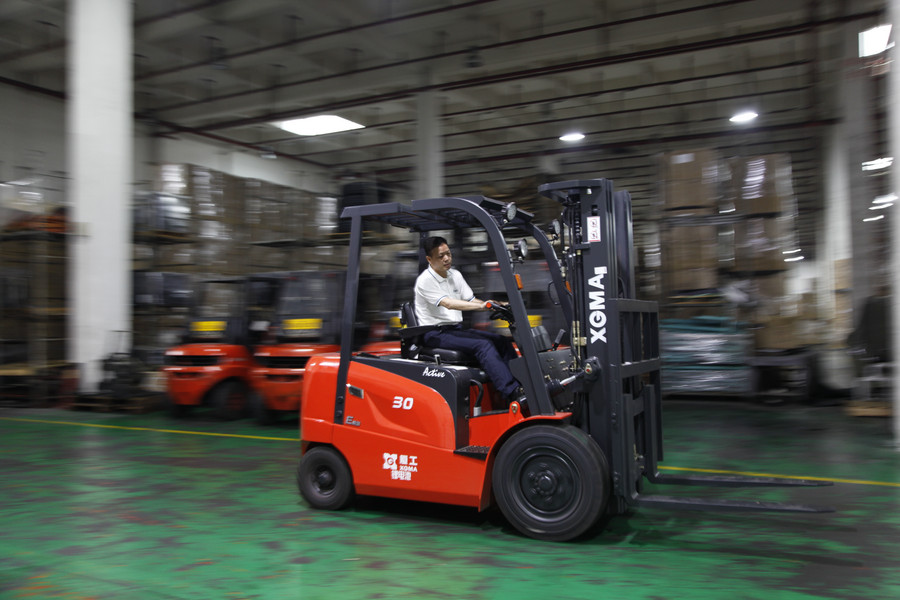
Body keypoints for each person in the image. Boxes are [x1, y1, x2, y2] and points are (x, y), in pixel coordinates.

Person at [413, 235, 526, 408]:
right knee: (483, 345)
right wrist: (483, 306)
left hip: (454, 330)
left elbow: (471, 300)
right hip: (434, 334)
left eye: (448, 254)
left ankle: (524, 384)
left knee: (501, 341)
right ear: (429, 259)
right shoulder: (425, 281)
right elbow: (449, 303)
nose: (446, 259)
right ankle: (513, 392)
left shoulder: (455, 275)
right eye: (441, 256)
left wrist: (496, 305)